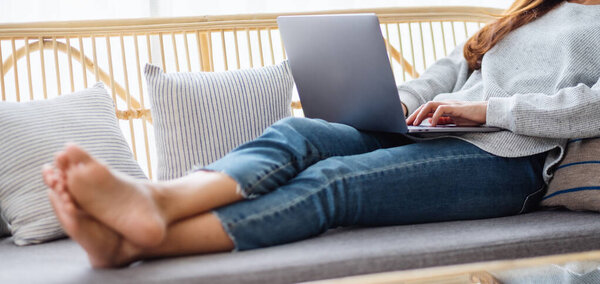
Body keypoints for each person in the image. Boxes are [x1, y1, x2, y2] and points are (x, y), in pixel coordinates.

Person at [43, 0, 600, 268]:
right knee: (300, 131)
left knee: (334, 181)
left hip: (512, 158)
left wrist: (486, 110)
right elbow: (443, 74)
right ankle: (159, 199)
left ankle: (138, 240)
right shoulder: (523, 13)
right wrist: (396, 105)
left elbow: (591, 106)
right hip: (435, 133)